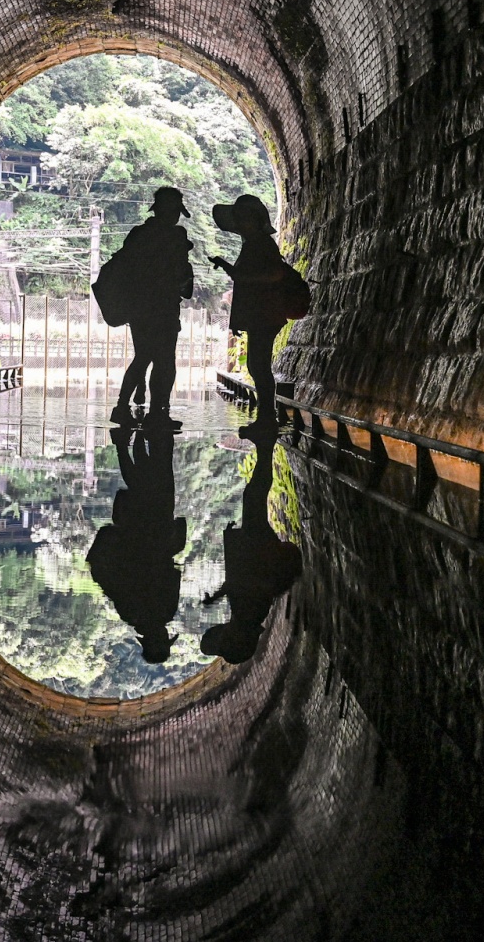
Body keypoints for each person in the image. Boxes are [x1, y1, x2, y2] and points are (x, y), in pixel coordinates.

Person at [200, 430, 301, 664]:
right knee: (254, 497)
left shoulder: (246, 617)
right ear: (232, 639)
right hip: (259, 549)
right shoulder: (247, 614)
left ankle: (265, 446)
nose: (220, 631)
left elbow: (238, 585)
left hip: (258, 549)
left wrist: (217, 596)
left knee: (253, 497)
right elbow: (246, 584)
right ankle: (266, 445)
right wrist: (217, 595)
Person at [86, 425, 185, 664]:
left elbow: (173, 575)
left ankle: (143, 437)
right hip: (133, 535)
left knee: (156, 484)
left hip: (155, 536)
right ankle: (129, 441)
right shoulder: (130, 613)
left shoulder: (164, 611)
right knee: (141, 487)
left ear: (160, 637)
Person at [110, 186, 194, 430]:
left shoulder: (138, 235)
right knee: (165, 361)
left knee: (143, 356)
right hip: (165, 307)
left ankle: (121, 407)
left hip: (139, 309)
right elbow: (180, 274)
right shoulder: (176, 237)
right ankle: (158, 412)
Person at [210, 194, 295, 431]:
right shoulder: (253, 244)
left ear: (254, 220)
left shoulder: (261, 244)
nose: (239, 223)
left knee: (259, 367)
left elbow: (273, 275)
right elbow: (244, 281)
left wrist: (242, 275)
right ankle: (266, 417)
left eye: (243, 218)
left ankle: (267, 419)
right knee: (257, 367)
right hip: (261, 315)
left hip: (265, 315)